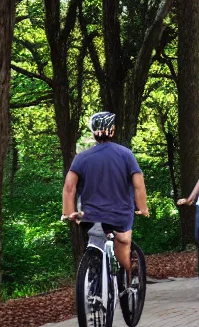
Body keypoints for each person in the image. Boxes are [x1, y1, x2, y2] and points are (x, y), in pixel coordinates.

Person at [62, 111, 149, 279]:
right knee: (123, 241)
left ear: (94, 132)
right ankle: (130, 276)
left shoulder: (81, 158)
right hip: (120, 213)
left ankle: (93, 282)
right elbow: (138, 185)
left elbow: (69, 187)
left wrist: (68, 213)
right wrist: (143, 207)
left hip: (90, 215)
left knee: (94, 241)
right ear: (113, 130)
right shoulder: (125, 154)